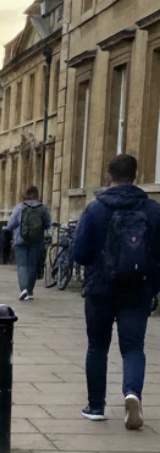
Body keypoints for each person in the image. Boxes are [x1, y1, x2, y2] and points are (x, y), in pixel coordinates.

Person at [71, 154, 160, 428]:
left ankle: (96, 406)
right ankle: (132, 394)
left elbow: (79, 253)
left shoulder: (96, 208)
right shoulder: (153, 210)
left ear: (109, 175)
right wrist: (153, 286)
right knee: (133, 347)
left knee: (97, 346)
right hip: (138, 289)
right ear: (136, 175)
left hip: (100, 289)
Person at [4, 186, 51, 301]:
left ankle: (23, 289)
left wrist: (6, 229)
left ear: (26, 194)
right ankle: (30, 291)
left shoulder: (20, 207)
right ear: (37, 195)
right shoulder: (43, 208)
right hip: (36, 240)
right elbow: (47, 224)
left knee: (22, 265)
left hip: (20, 240)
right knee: (32, 265)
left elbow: (11, 224)